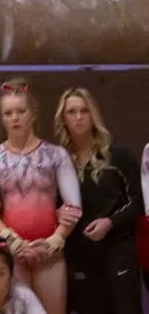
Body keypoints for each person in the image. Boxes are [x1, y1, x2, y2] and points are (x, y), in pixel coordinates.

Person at [0, 79, 81, 314]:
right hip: (12, 253)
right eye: (8, 113)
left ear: (32, 114)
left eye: (21, 111)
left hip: (49, 254)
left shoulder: (56, 155)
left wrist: (54, 241)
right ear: (2, 118)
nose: (14, 118)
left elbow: (73, 206)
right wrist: (12, 240)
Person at [52, 87, 139, 314]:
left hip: (118, 252)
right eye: (72, 112)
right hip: (80, 255)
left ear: (93, 115)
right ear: (63, 118)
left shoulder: (118, 156)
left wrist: (110, 222)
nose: (79, 117)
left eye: (84, 111)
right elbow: (51, 204)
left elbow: (138, 202)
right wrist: (57, 213)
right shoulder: (58, 162)